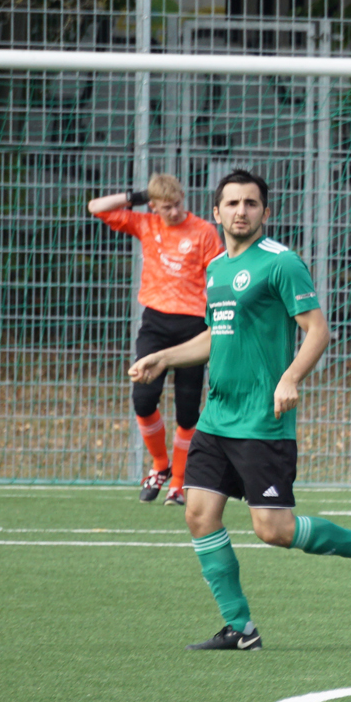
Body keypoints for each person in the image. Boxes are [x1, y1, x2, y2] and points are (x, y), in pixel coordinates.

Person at [127, 170, 351, 651]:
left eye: (251, 203)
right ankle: (240, 628)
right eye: (232, 203)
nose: (241, 211)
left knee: (273, 530)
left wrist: (290, 377)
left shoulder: (282, 263)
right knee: (198, 514)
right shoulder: (215, 269)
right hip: (218, 418)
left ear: (265, 212)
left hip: (262, 421)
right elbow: (217, 334)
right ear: (215, 212)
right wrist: (165, 357)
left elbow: (317, 330)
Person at [88, 174, 222, 505]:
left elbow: (219, 276)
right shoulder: (146, 224)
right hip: (155, 324)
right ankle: (160, 465)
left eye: (178, 204)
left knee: (188, 410)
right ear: (154, 206)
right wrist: (138, 194)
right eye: (166, 206)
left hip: (194, 325)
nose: (174, 211)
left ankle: (178, 481)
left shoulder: (204, 231)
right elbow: (96, 207)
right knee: (143, 400)